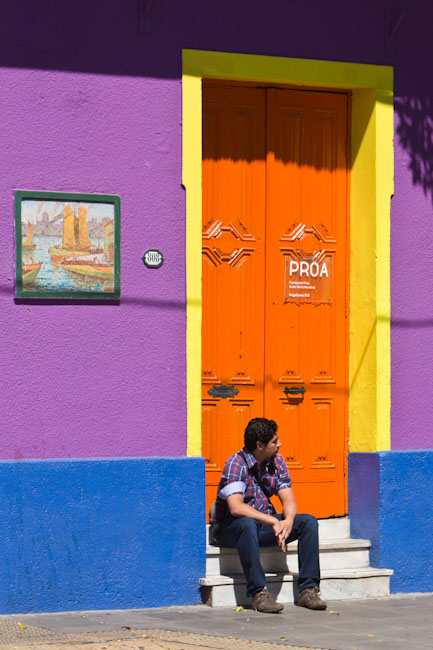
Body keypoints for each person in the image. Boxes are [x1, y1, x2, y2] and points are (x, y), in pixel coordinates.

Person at [211, 417, 327, 613]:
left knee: (308, 522)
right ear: (259, 445)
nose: (279, 444)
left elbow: (288, 499)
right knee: (247, 523)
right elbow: (236, 508)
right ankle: (258, 594)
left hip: (261, 527)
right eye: (275, 441)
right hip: (230, 529)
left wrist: (288, 521)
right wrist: (273, 520)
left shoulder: (277, 462)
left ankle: (308, 590)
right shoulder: (235, 463)